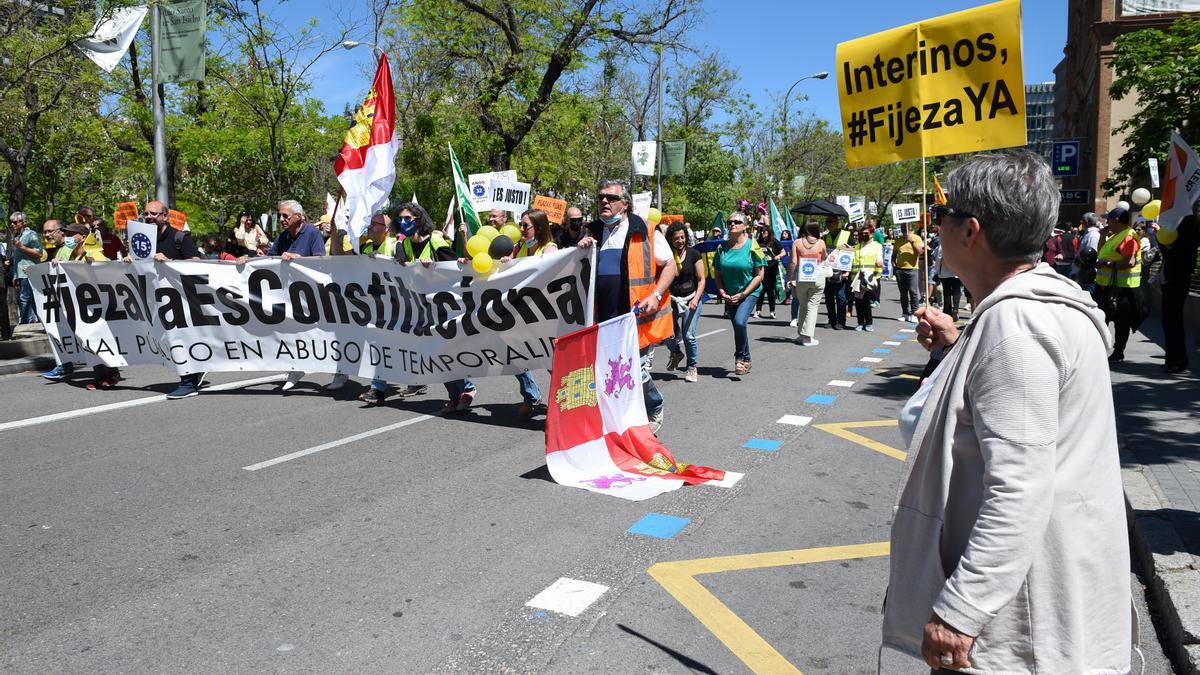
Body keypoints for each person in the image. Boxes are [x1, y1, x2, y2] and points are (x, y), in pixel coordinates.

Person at [884, 150, 1131, 674]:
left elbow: (1018, 487)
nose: (936, 224)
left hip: (1019, 622)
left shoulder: (1015, 325)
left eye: (942, 214)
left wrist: (959, 612)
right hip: (1042, 589)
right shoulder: (1042, 305)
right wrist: (955, 351)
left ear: (970, 231)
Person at [576, 179, 676, 431]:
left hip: (636, 318)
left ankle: (654, 405)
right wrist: (580, 250)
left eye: (611, 198)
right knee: (610, 372)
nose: (604, 202)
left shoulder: (646, 231)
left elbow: (670, 266)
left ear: (626, 204)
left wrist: (655, 295)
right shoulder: (593, 231)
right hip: (603, 317)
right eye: (601, 197)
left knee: (637, 371)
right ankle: (621, 421)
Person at [235, 199, 324, 391]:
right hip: (289, 295)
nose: (282, 219)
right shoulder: (283, 236)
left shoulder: (313, 234)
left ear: (299, 217)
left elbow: (321, 261)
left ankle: (340, 371)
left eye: (286, 216)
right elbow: (269, 259)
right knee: (291, 331)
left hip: (311, 294)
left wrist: (300, 259)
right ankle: (296, 368)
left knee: (322, 333)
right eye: (280, 215)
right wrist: (249, 259)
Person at [42, 222, 121, 388]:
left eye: (72, 234)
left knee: (99, 338)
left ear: (83, 237)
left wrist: (95, 265)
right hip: (83, 305)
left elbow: (107, 267)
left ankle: (112, 373)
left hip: (98, 303)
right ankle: (99, 375)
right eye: (67, 234)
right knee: (88, 340)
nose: (69, 237)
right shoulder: (72, 256)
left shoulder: (93, 253)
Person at [507, 208, 558, 416]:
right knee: (516, 358)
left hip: (543, 317)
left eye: (525, 225)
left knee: (552, 362)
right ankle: (530, 396)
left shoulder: (549, 249)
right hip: (520, 315)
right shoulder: (518, 248)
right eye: (521, 224)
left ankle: (561, 403)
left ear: (538, 227)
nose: (521, 229)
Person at [711, 212, 764, 375]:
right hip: (729, 294)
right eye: (730, 221)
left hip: (749, 292)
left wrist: (744, 294)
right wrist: (721, 291)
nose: (732, 224)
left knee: (740, 322)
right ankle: (747, 359)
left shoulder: (753, 245)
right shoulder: (722, 247)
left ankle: (740, 357)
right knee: (738, 327)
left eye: (737, 221)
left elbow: (760, 275)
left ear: (745, 226)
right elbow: (717, 273)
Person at [1093, 207, 1143, 362]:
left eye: (1109, 219)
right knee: (1101, 318)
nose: (1107, 222)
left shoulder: (1128, 237)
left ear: (1115, 220)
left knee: (1121, 323)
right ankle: (1099, 349)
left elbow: (1129, 262)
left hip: (1122, 288)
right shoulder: (1116, 236)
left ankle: (1118, 352)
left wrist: (1107, 264)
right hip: (1107, 285)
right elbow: (1101, 253)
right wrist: (1102, 237)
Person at [1160, 200, 1200, 373]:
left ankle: (1178, 361)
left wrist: (1168, 243)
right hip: (1170, 280)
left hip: (1177, 280)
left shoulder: (1189, 227)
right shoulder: (1180, 227)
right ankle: (1172, 359)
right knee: (1168, 321)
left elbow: (1180, 253)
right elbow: (1167, 252)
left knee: (1173, 321)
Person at [664, 221, 705, 382]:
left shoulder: (694, 254)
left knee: (689, 336)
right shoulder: (666, 256)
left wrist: (695, 299)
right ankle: (676, 352)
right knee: (666, 335)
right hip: (672, 300)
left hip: (691, 299)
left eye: (682, 237)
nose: (679, 241)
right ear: (671, 239)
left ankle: (692, 367)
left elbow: (702, 279)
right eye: (676, 238)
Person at [787, 221, 827, 346]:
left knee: (803, 304)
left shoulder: (797, 242)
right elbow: (824, 257)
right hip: (818, 275)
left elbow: (793, 261)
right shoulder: (821, 242)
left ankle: (802, 334)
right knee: (813, 306)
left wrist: (789, 277)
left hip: (802, 276)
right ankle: (808, 337)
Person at [8, 212, 42, 325]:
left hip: (30, 272)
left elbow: (39, 253)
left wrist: (22, 247)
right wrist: (15, 276)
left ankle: (26, 324)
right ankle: (31, 322)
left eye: (15, 222)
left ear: (23, 222)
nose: (12, 224)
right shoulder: (17, 236)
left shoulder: (31, 234)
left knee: (26, 299)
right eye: (11, 222)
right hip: (21, 274)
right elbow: (18, 259)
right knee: (25, 299)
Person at [848, 227, 883, 331]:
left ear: (871, 234)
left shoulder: (877, 246)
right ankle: (860, 323)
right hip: (857, 278)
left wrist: (880, 262)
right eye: (862, 233)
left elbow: (879, 258)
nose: (863, 235)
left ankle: (868, 323)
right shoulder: (857, 247)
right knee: (858, 301)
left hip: (869, 278)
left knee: (866, 301)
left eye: (866, 233)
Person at [822, 216, 852, 329]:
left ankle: (841, 321)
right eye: (827, 221)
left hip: (841, 271)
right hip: (828, 271)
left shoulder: (846, 235)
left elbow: (852, 252)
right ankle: (831, 320)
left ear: (837, 222)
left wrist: (847, 272)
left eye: (831, 221)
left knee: (841, 297)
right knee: (829, 297)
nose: (829, 223)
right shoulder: (824, 237)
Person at [892, 221, 925, 322]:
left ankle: (914, 313)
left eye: (905, 229)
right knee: (903, 293)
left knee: (913, 291)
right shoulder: (898, 239)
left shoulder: (917, 238)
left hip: (912, 269)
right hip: (900, 270)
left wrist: (911, 241)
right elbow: (894, 255)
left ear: (911, 229)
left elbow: (921, 252)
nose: (903, 231)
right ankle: (905, 313)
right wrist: (894, 266)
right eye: (902, 229)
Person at [753, 226, 783, 319]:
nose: (763, 233)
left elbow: (783, 252)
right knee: (760, 290)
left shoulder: (774, 241)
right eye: (761, 232)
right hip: (761, 269)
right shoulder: (758, 242)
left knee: (770, 291)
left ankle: (772, 311)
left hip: (772, 268)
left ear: (769, 232)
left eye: (765, 231)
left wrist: (778, 256)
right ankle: (758, 311)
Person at [933, 237, 961, 321]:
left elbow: (938, 258)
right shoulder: (960, 244)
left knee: (947, 292)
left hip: (945, 272)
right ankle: (955, 308)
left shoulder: (943, 244)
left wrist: (937, 271)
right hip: (957, 271)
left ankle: (947, 311)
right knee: (957, 290)